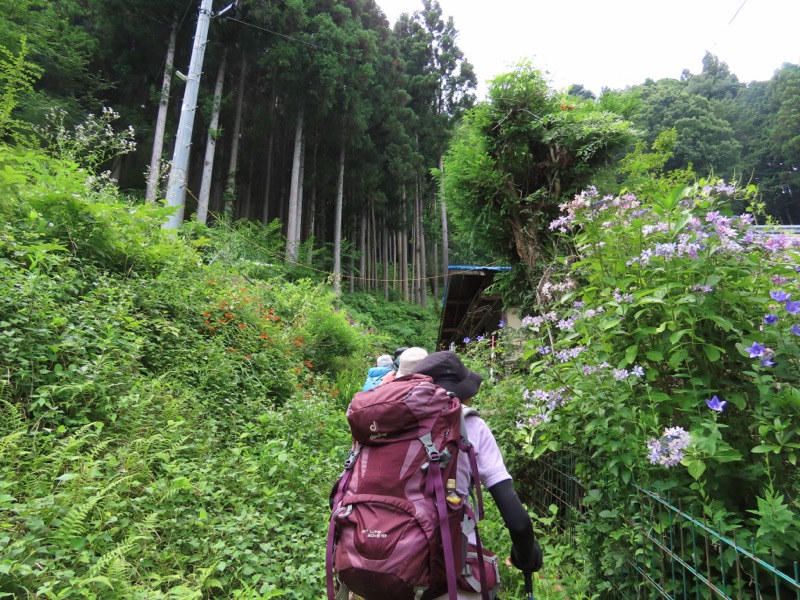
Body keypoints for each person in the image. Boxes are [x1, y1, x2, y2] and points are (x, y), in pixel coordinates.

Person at [412, 351, 543, 600]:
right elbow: (517, 521)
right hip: (447, 568)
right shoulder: (468, 424)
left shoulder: (387, 423)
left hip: (382, 561)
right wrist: (526, 554)